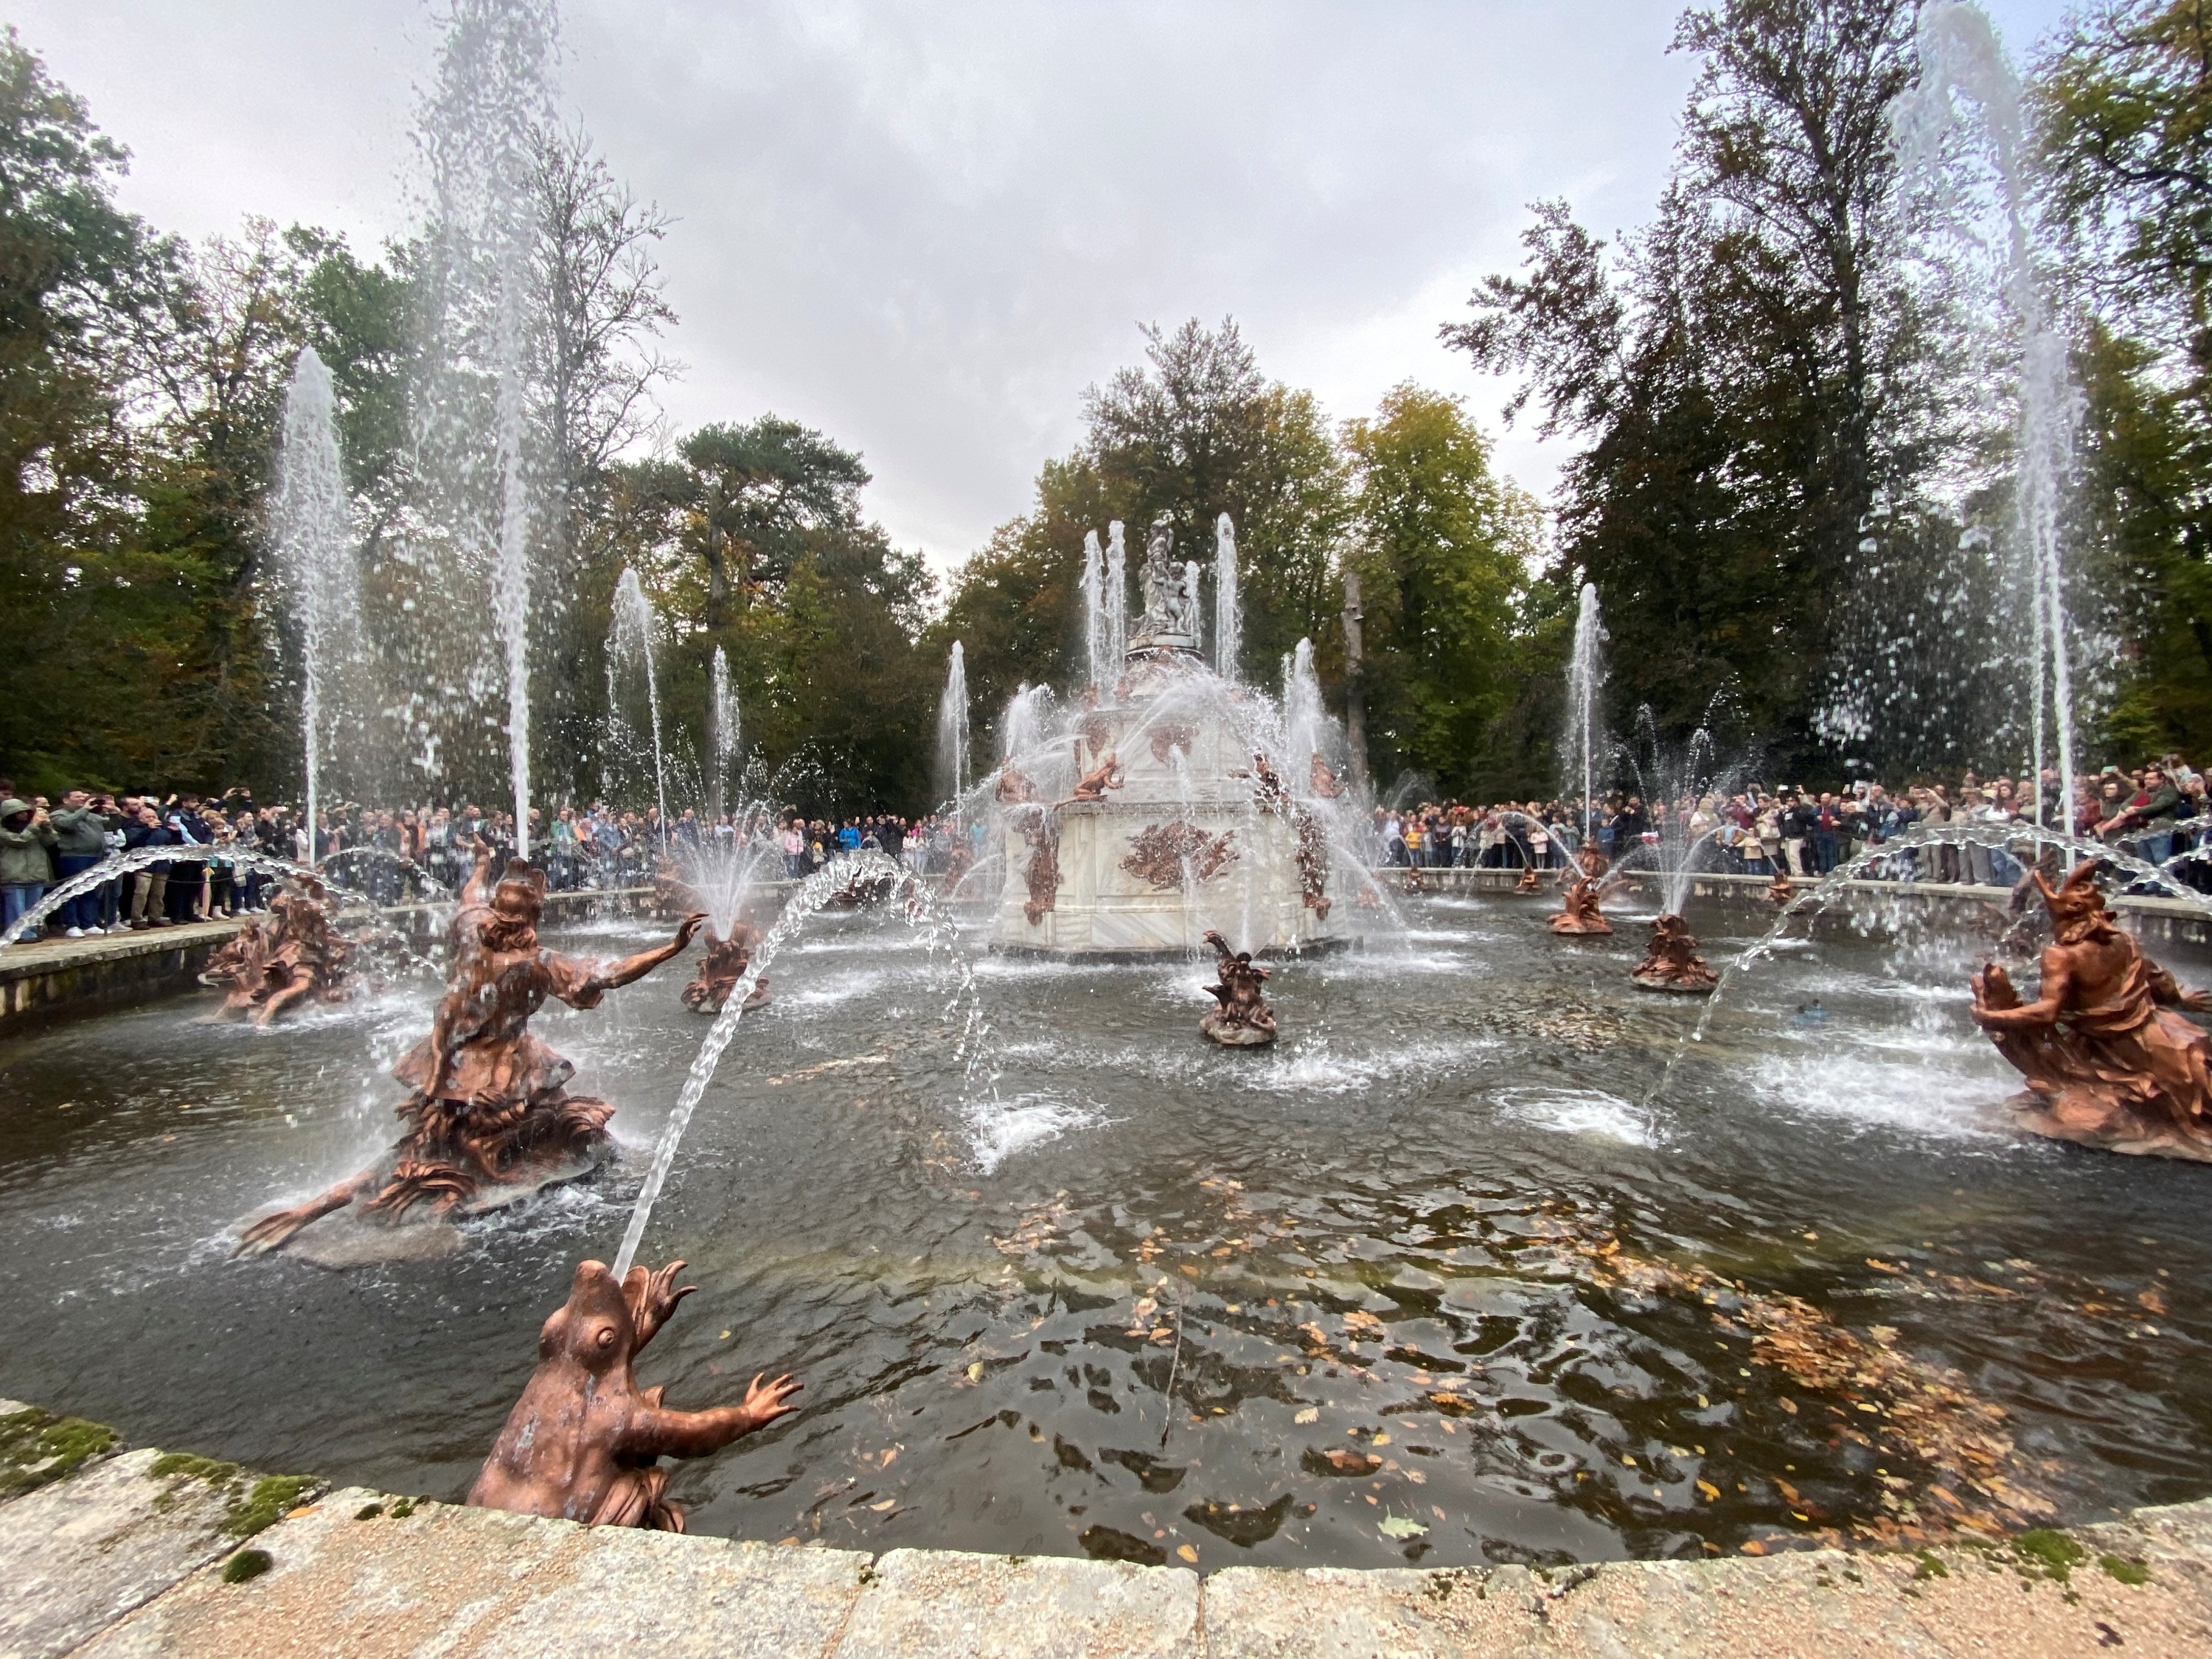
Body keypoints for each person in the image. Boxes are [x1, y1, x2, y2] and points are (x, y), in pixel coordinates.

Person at [48, 790, 116, 936]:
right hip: (73, 856)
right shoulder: (58, 814)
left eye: (83, 796)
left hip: (95, 855)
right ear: (66, 800)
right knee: (72, 891)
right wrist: (84, 809)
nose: (82, 799)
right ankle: (71, 924)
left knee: (91, 891)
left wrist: (113, 811)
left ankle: (88, 923)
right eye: (77, 797)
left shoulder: (91, 815)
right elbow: (67, 824)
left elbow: (111, 826)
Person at [0, 796, 58, 938]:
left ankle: (31, 933)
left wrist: (47, 827)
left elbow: (51, 841)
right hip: (13, 875)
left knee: (33, 909)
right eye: (20, 813)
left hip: (36, 873)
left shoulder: (34, 828)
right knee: (17, 910)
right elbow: (19, 840)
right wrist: (34, 826)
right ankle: (18, 935)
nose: (24, 815)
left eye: (26, 812)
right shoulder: (3, 830)